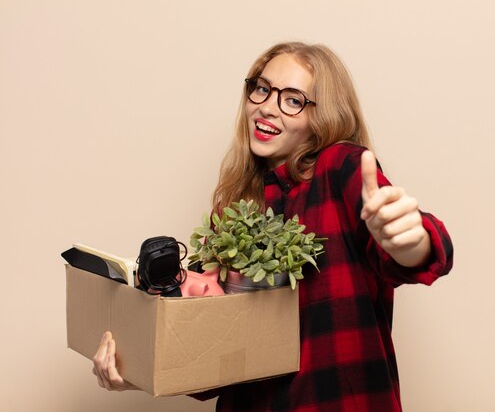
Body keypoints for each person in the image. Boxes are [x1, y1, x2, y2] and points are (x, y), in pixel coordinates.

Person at [92, 41, 454, 411]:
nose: (266, 107)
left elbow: (412, 254)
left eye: (293, 99)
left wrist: (411, 242)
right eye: (262, 89)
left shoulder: (341, 168)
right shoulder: (233, 210)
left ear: (323, 116)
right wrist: (136, 371)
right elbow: (219, 354)